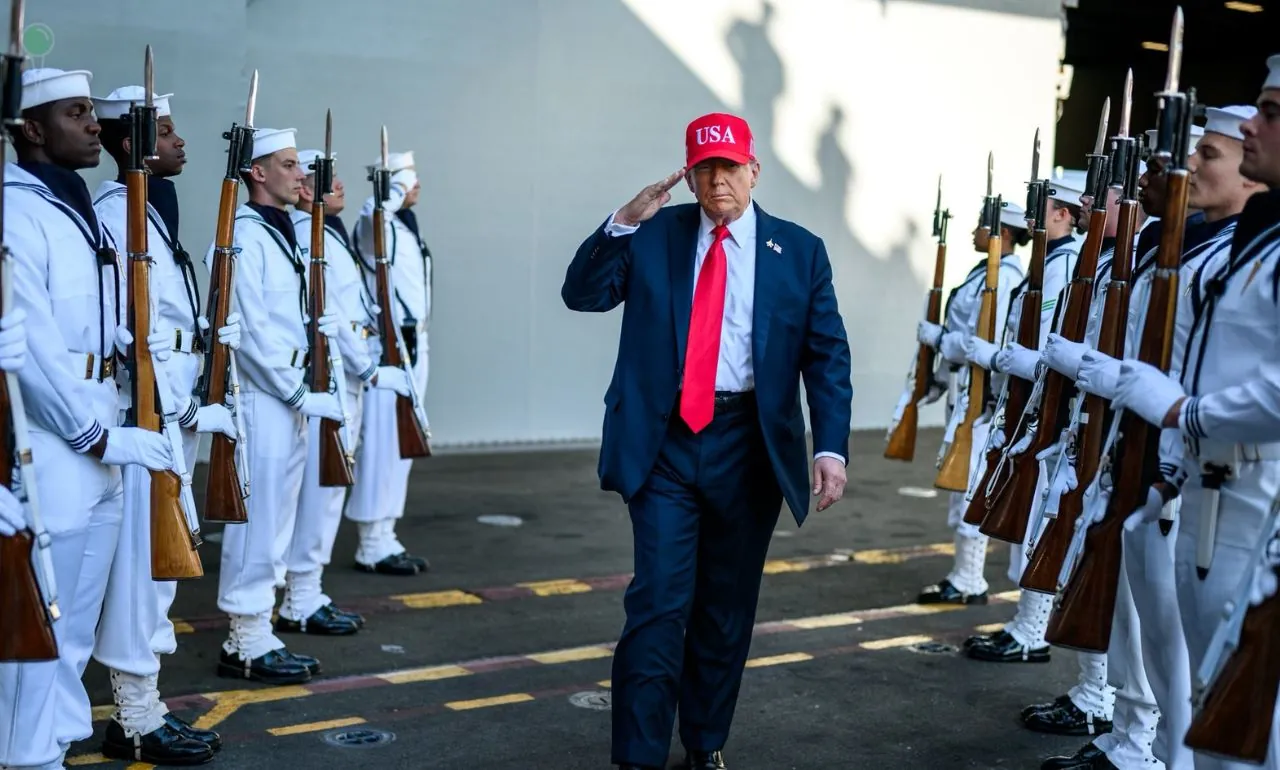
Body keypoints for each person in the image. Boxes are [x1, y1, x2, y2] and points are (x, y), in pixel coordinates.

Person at [562, 112, 853, 770]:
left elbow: (826, 355)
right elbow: (582, 295)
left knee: (725, 608)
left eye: (729, 166)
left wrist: (830, 448)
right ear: (689, 177)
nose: (718, 179)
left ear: (754, 171)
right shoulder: (653, 234)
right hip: (664, 444)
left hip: (749, 447)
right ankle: (638, 756)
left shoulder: (798, 251)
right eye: (704, 168)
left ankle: (704, 743)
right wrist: (622, 222)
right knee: (657, 604)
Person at [0, 66, 175, 770]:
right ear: (31, 129)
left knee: (73, 621)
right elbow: (33, 346)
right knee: (38, 622)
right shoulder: (16, 210)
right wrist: (97, 436)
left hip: (103, 432)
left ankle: (54, 746)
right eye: (75, 113)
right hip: (57, 444)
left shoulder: (73, 204)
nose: (94, 123)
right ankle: (24, 755)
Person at [1107, 57, 1280, 770]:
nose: (1254, 124)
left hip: (1254, 494)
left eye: (1271, 113)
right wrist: (1172, 466)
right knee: (1216, 703)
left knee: (1246, 717)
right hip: (1208, 487)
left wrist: (1186, 411)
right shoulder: (1258, 245)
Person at [91, 83, 239, 763]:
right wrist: (182, 406)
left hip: (170, 411)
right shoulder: (117, 214)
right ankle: (135, 717)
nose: (181, 141)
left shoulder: (151, 210)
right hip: (149, 413)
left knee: (159, 571)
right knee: (144, 574)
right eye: (168, 130)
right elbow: (133, 332)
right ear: (135, 143)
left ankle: (144, 708)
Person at [205, 126, 343, 685]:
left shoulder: (280, 230)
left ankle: (260, 628)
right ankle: (244, 639)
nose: (301, 174)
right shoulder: (243, 234)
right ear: (257, 172)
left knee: (279, 516)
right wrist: (297, 392)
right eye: (288, 164)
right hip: (264, 396)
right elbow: (252, 332)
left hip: (291, 392)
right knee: (257, 520)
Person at [283, 148, 411, 635]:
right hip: (333, 377)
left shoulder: (329, 233)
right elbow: (330, 315)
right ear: (302, 189)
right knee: (320, 493)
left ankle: (307, 591)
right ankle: (299, 597)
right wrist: (370, 369)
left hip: (346, 376)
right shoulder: (307, 234)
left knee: (328, 490)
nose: (338, 185)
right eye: (326, 178)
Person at [961, 172, 1085, 664]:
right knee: (1027, 517)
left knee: (1040, 521)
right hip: (1025, 406)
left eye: (1043, 207)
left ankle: (1033, 631)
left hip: (1048, 411)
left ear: (1064, 214)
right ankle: (1024, 623)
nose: (1032, 216)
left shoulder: (1065, 265)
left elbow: (1052, 350)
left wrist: (1004, 359)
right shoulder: (1048, 261)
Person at [915, 197, 1026, 606]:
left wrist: (940, 339)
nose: (974, 231)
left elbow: (987, 342)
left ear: (1003, 234)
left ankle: (969, 580)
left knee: (970, 486)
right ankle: (964, 575)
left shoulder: (1006, 278)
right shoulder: (982, 272)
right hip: (964, 390)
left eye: (982, 224)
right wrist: (938, 381)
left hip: (984, 396)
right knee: (960, 484)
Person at [348, 149, 431, 575]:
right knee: (382, 443)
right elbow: (372, 215)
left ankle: (386, 533)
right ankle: (371, 541)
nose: (415, 185)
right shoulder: (375, 226)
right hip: (386, 347)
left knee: (402, 444)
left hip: (414, 343)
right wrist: (392, 189)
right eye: (406, 179)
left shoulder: (404, 225)